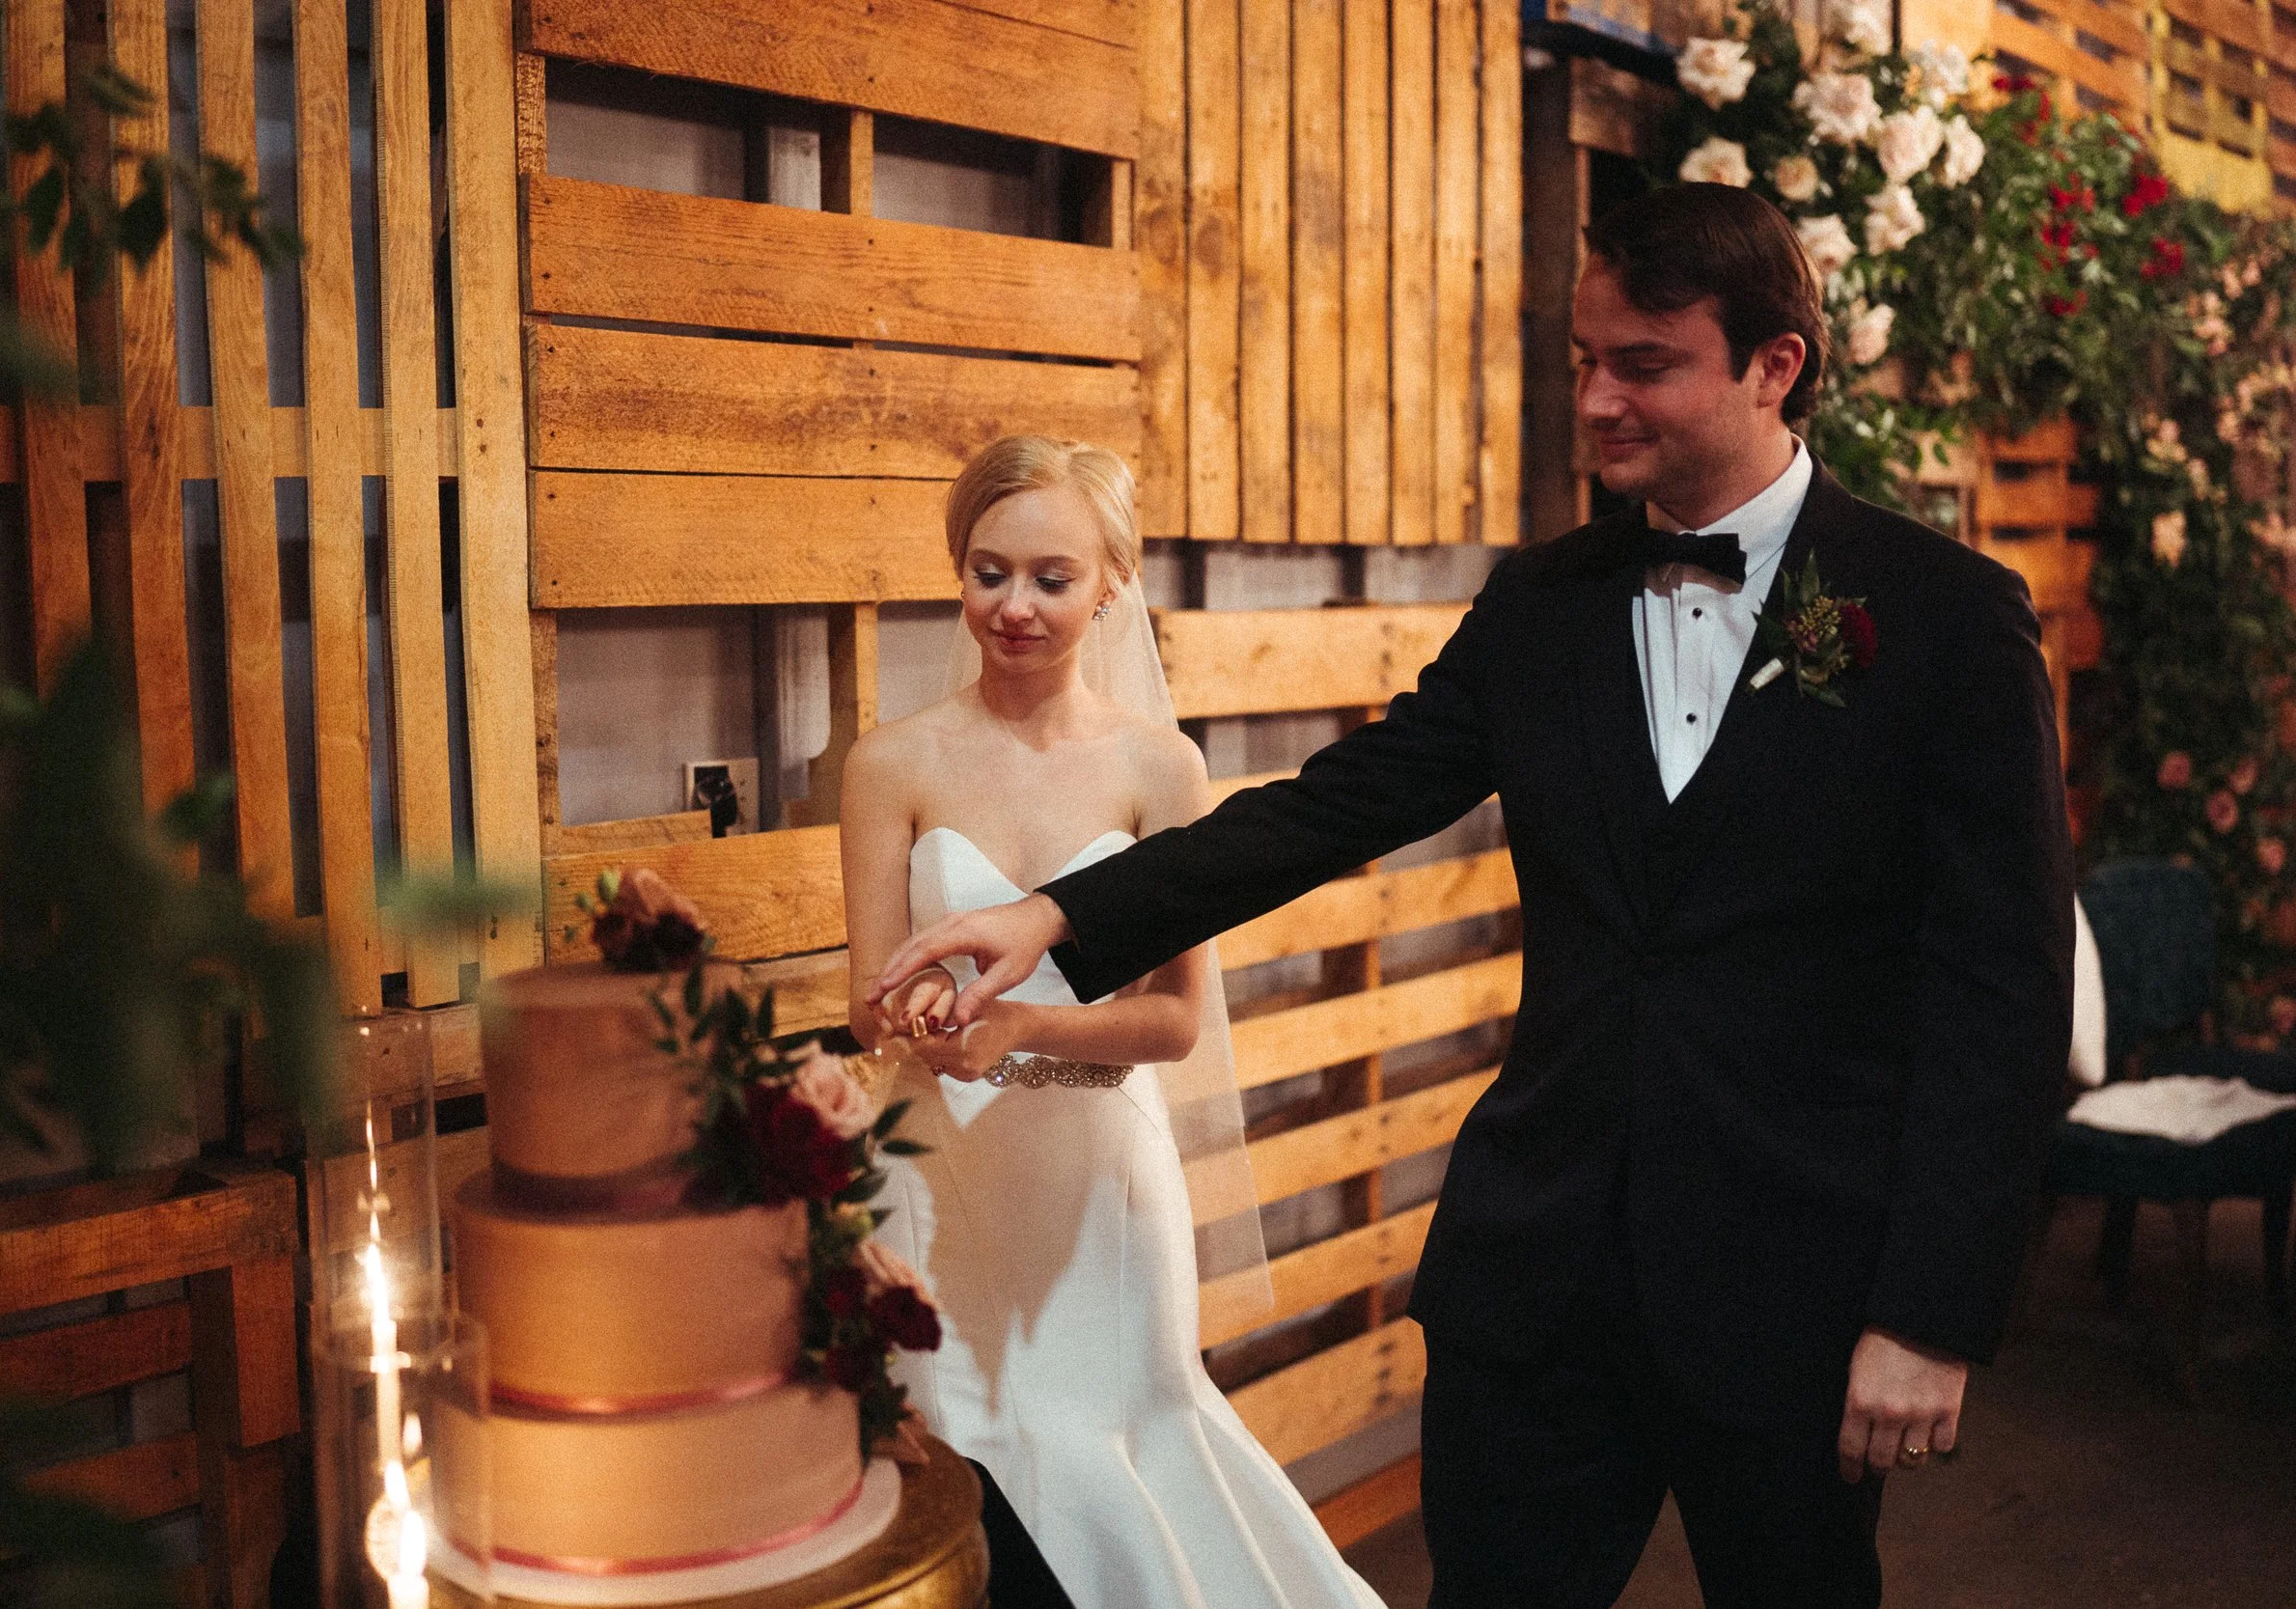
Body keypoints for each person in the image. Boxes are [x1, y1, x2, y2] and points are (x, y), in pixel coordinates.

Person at [870, 184, 2074, 1608]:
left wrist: (1928, 1312)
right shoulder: (1542, 604)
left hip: (1793, 1288)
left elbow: (2002, 995)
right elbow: (1334, 805)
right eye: (1583, 358)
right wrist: (1062, 918)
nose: (1598, 398)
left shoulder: (1943, 615)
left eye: (1645, 363)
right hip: (1539, 1277)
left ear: (1775, 365)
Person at [839, 434, 1386, 1609]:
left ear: (1109, 584)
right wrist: (920, 1012)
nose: (1016, 607)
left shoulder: (1158, 765)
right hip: (940, 1173)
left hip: (1101, 1173)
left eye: (1051, 578)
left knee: (1121, 1433)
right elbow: (865, 997)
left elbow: (1178, 1020)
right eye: (989, 573)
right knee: (963, 1449)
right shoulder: (892, 761)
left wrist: (1018, 1034)